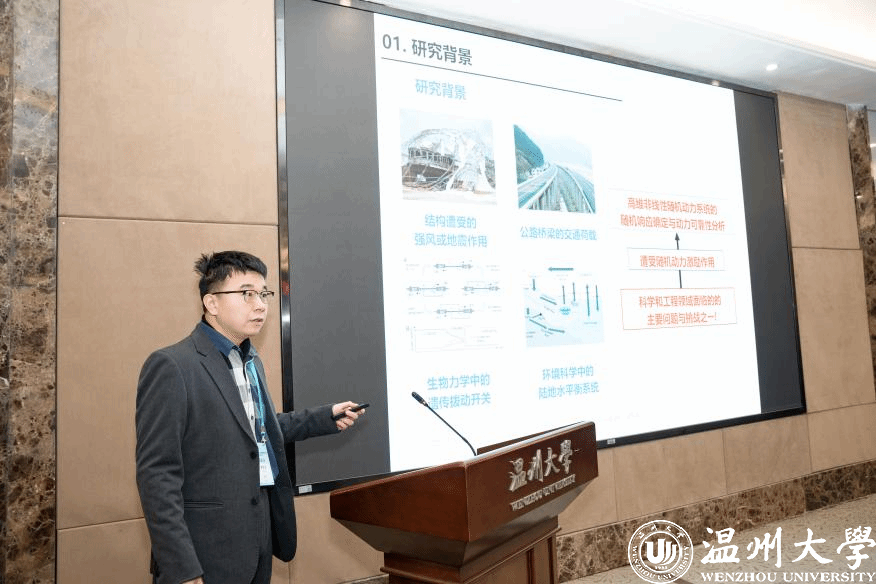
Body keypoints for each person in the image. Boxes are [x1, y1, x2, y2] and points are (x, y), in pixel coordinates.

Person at [135, 251, 363, 584]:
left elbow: (257, 432)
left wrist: (323, 418)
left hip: (257, 543)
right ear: (211, 303)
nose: (260, 305)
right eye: (246, 294)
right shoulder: (173, 366)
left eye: (263, 293)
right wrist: (182, 568)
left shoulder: (250, 360)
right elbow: (157, 476)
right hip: (204, 554)